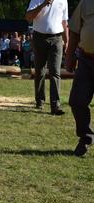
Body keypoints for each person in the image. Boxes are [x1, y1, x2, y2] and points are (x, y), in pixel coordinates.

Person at [26, 0, 69, 115]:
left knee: (55, 72)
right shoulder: (36, 0)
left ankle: (55, 106)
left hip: (57, 39)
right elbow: (29, 17)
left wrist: (67, 40)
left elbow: (64, 21)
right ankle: (40, 101)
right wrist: (44, 3)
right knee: (40, 71)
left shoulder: (63, 0)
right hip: (39, 38)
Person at [65, 0, 94, 156]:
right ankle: (86, 136)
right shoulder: (85, 3)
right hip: (86, 60)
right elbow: (75, 31)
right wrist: (69, 57)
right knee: (77, 101)